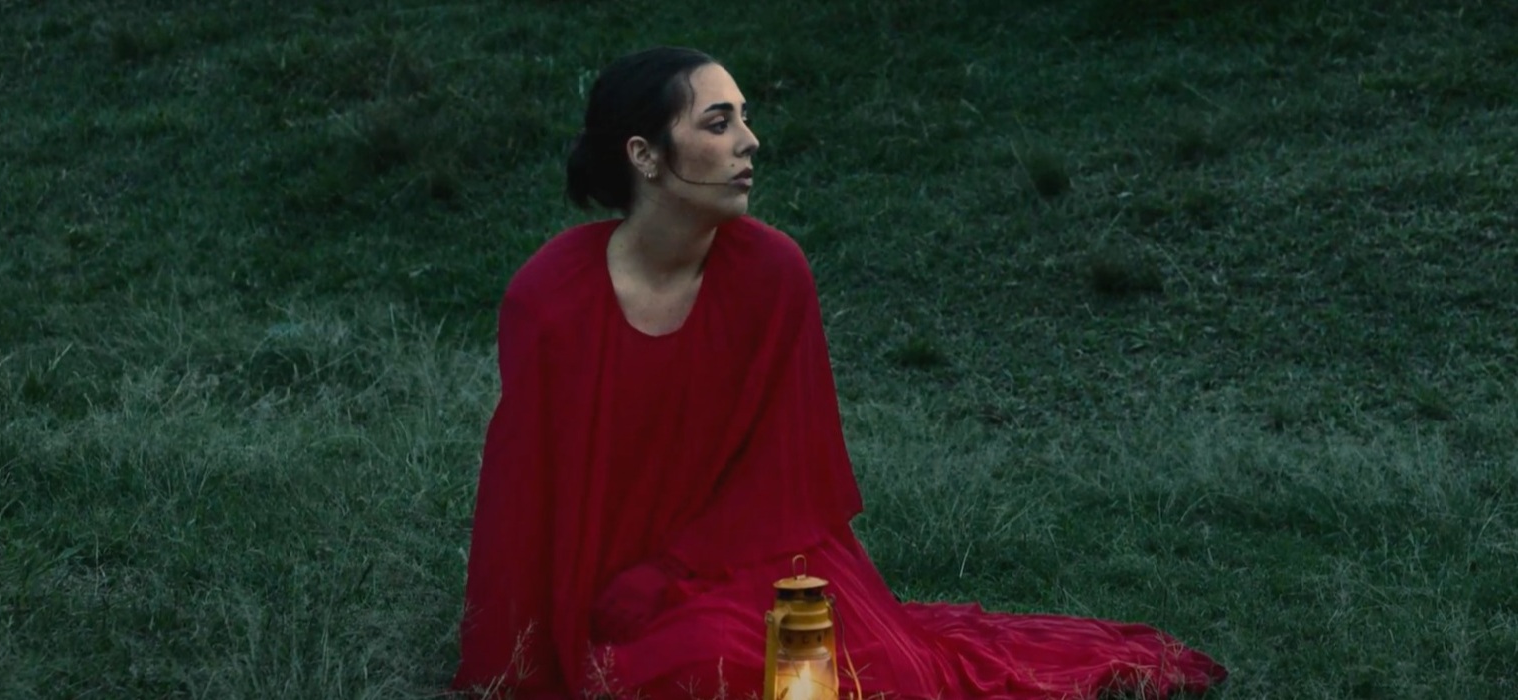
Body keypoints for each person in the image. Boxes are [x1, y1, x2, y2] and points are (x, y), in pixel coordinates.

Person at [449, 47, 1228, 700]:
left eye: (744, 117)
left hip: (753, 550)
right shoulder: (548, 299)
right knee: (659, 675)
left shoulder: (771, 271)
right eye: (718, 123)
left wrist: (673, 574)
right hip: (605, 569)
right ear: (644, 155)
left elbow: (784, 471)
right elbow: (524, 492)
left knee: (842, 675)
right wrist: (512, 655)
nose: (750, 141)